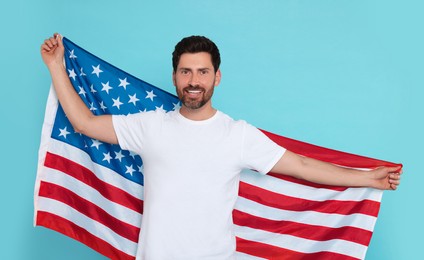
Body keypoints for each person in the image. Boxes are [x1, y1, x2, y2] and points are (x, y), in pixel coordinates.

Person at [40, 33, 401, 259]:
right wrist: (56, 65)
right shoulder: (149, 126)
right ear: (174, 77)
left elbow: (302, 166)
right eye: (185, 72)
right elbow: (84, 124)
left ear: (217, 77)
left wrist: (368, 179)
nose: (193, 81)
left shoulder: (237, 134)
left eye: (202, 72)